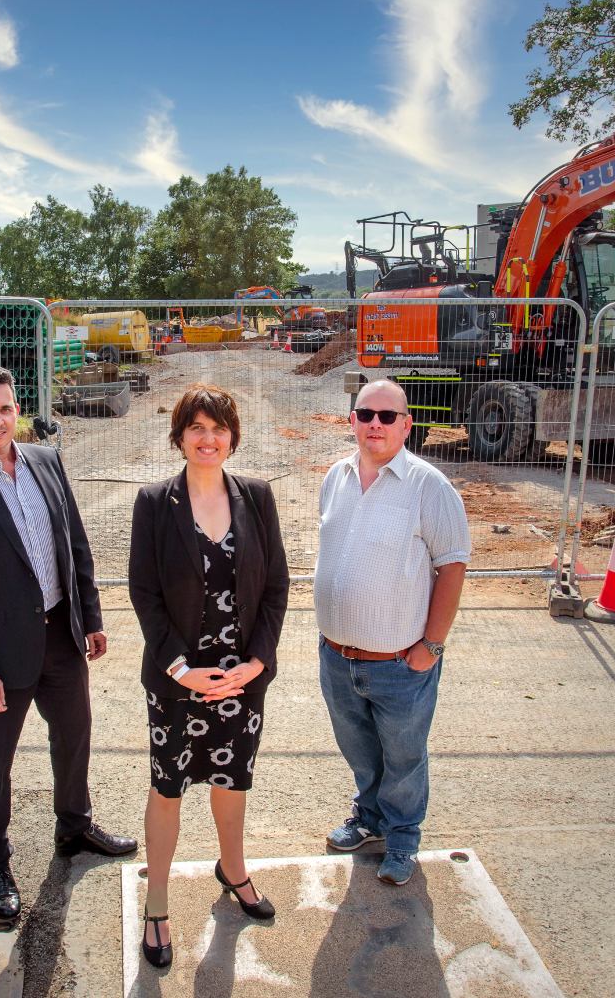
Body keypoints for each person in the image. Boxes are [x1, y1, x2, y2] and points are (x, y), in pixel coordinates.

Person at [0, 364, 136, 923]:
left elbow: (75, 543)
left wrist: (90, 615)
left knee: (75, 734)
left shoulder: (45, 461)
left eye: (6, 408)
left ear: (18, 410)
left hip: (61, 635)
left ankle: (74, 827)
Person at [128, 384, 289, 968]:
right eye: (196, 428)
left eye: (218, 428)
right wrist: (179, 668)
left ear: (232, 437)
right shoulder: (153, 502)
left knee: (232, 782)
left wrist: (257, 662)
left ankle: (235, 871)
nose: (208, 438)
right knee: (167, 788)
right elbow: (144, 594)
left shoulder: (258, 497)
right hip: (178, 678)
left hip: (240, 678)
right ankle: (159, 903)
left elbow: (275, 588)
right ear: (179, 436)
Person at [314, 378, 470, 887]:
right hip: (338, 656)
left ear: (407, 424)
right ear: (352, 420)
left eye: (387, 416)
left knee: (403, 755)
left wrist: (431, 646)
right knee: (359, 748)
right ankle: (370, 819)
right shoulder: (335, 476)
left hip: (402, 662)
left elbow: (452, 565)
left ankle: (402, 838)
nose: (374, 424)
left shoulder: (429, 486)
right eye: (365, 414)